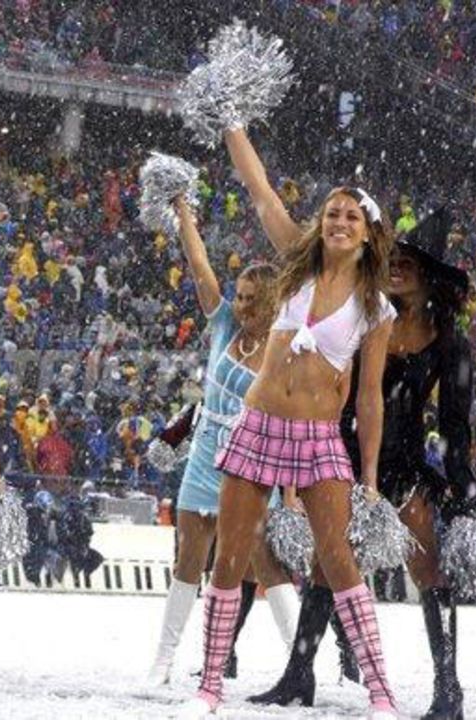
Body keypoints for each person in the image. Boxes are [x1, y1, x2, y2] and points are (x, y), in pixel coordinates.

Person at [181, 127, 398, 718]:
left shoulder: (377, 307)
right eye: (332, 213)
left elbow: (371, 398)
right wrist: (232, 126)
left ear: (368, 231)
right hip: (257, 424)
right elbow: (258, 191)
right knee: (228, 559)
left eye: (352, 216)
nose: (339, 222)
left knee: (338, 560)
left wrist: (370, 477)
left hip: (320, 438)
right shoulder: (295, 269)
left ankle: (381, 691)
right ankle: (209, 689)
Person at [250, 208, 476, 720]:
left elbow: (456, 425)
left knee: (427, 568)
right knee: (326, 562)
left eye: (409, 261)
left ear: (431, 274)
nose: (397, 266)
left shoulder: (449, 341)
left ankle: (449, 690)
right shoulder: (365, 313)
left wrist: (466, 494)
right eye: (393, 259)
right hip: (347, 451)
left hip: (405, 465)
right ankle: (299, 674)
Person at [145, 198, 300, 687]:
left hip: (254, 458)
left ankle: (299, 662)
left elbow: (292, 420)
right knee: (188, 560)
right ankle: (164, 661)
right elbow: (199, 266)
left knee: (264, 563)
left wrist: (290, 493)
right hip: (205, 454)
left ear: (274, 303)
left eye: (253, 299)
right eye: (240, 294)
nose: (242, 304)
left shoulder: (285, 346)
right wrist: (186, 216)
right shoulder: (223, 327)